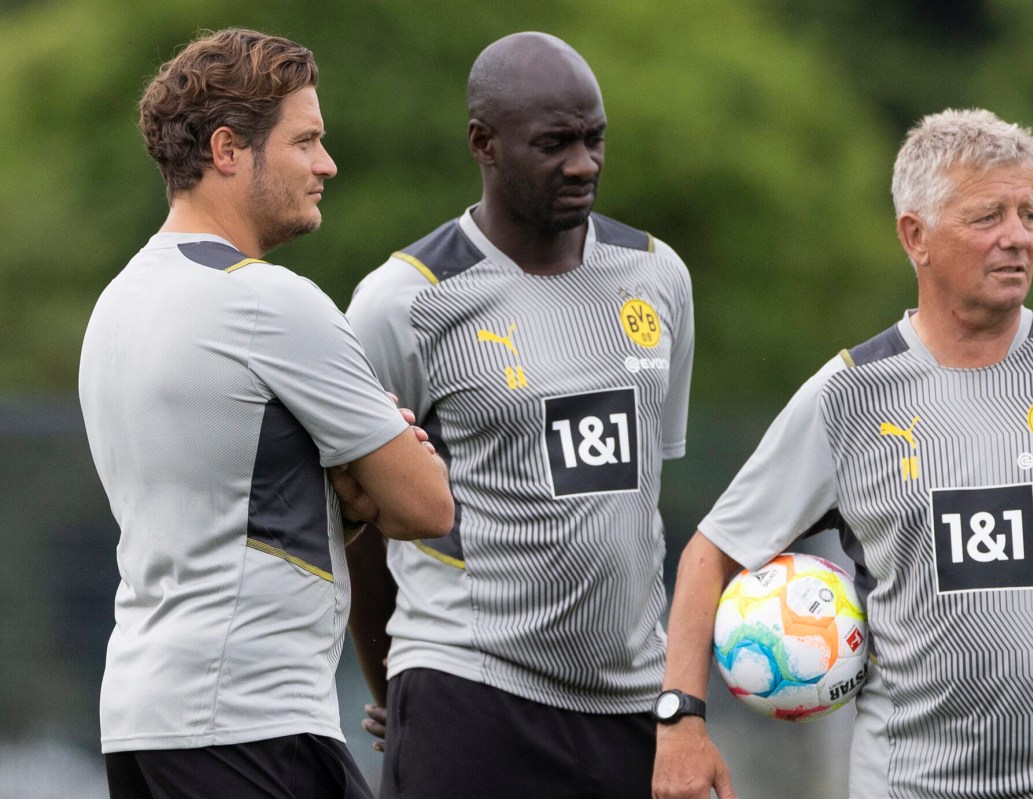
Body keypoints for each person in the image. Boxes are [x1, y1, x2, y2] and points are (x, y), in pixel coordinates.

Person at [652, 108, 1033, 799]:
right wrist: (680, 721)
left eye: (1030, 213)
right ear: (916, 236)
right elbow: (708, 555)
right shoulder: (850, 395)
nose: (1017, 237)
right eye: (988, 216)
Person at [78, 28, 454, 799]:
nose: (326, 165)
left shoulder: (117, 302)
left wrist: (341, 498)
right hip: (248, 719)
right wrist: (368, 472)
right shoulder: (267, 300)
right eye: (306, 141)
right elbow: (426, 505)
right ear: (228, 150)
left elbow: (230, 499)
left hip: (144, 718)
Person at [345, 31, 695, 798]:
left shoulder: (657, 275)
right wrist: (395, 677)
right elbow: (360, 521)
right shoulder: (405, 301)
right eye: (555, 143)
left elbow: (636, 502)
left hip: (628, 704)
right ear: (485, 143)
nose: (584, 164)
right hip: (469, 689)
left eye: (594, 138)